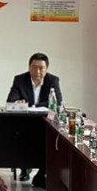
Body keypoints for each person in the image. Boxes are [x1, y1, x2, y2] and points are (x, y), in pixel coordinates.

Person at [6, 53, 63, 182]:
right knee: (21, 134)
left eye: (41, 68)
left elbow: (57, 102)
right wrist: (18, 102)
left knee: (48, 138)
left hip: (46, 122)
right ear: (29, 67)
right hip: (25, 121)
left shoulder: (53, 80)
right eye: (34, 67)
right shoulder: (20, 79)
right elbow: (11, 100)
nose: (37, 71)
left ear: (46, 69)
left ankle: (42, 172)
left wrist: (32, 105)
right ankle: (24, 168)